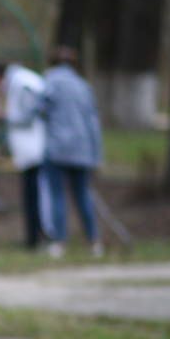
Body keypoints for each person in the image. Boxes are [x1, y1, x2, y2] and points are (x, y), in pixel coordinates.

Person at [39, 45, 104, 258]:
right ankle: (94, 242)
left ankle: (59, 242)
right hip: (83, 148)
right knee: (83, 195)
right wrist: (96, 154)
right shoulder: (83, 86)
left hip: (58, 148)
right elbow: (93, 121)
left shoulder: (50, 82)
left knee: (57, 196)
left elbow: (39, 109)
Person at [0, 60, 49, 250]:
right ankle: (34, 238)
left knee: (36, 196)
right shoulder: (20, 82)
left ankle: (37, 239)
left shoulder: (22, 83)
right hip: (29, 151)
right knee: (32, 196)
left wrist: (4, 117)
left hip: (35, 150)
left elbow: (31, 115)